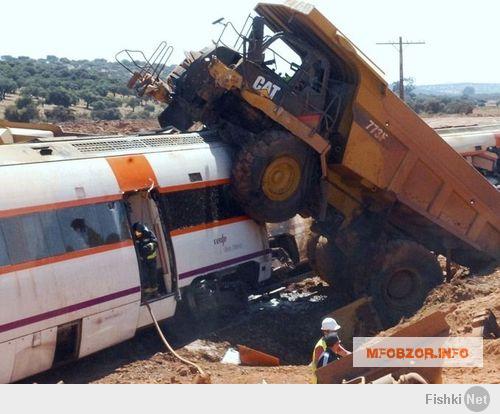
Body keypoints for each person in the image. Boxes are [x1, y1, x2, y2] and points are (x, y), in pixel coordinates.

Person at [310, 317, 351, 383]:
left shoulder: (334, 342)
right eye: (334, 331)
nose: (336, 333)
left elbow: (345, 353)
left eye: (336, 331)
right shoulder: (320, 347)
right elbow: (321, 369)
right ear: (326, 331)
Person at [132, 222, 159, 298]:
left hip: (151, 259)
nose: (138, 234)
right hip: (142, 261)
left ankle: (155, 292)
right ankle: (147, 293)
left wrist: (149, 246)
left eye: (139, 232)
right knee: (144, 277)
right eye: (136, 233)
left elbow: (155, 242)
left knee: (153, 276)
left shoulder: (148, 233)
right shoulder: (134, 236)